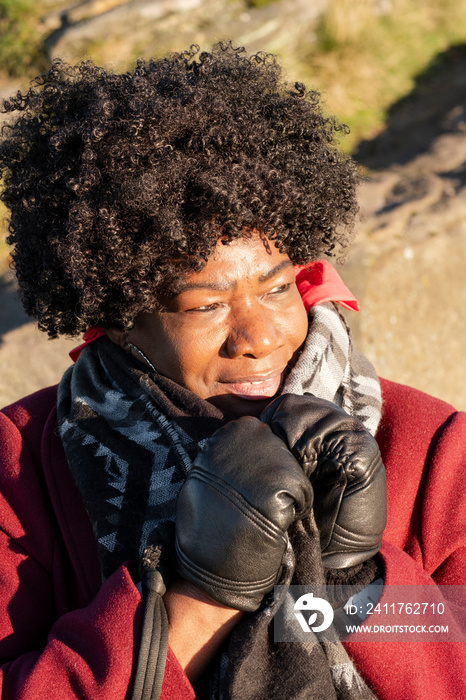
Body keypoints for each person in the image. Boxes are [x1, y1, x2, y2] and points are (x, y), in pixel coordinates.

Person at [0, 42, 465, 700]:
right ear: (117, 312)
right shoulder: (20, 471)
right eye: (207, 305)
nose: (262, 335)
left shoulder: (431, 447)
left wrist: (353, 579)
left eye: (277, 289)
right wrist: (201, 596)